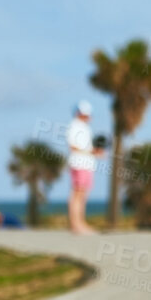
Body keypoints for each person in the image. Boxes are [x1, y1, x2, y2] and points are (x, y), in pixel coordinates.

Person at [65, 101, 104, 235]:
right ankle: (75, 224)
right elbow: (73, 146)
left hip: (87, 165)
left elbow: (86, 147)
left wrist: (95, 152)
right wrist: (91, 152)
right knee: (77, 193)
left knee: (83, 194)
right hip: (78, 164)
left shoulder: (85, 128)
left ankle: (80, 222)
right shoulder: (74, 126)